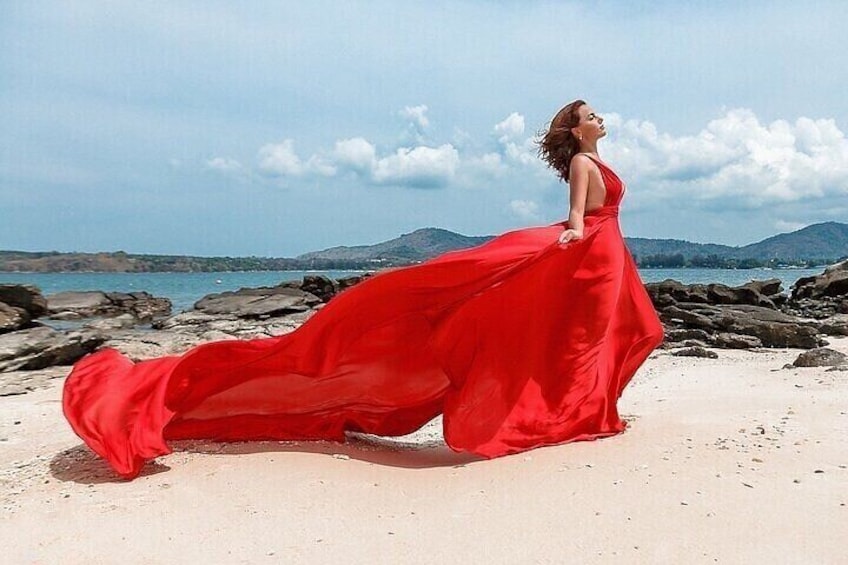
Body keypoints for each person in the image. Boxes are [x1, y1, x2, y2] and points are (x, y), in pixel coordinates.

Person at [63, 99, 665, 479]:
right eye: (592, 116)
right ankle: (576, 413)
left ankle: (581, 411)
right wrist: (560, 243)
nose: (600, 120)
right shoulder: (587, 165)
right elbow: (579, 220)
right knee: (576, 341)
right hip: (590, 257)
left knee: (600, 337)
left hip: (606, 260)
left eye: (598, 116)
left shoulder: (595, 159)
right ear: (577, 130)